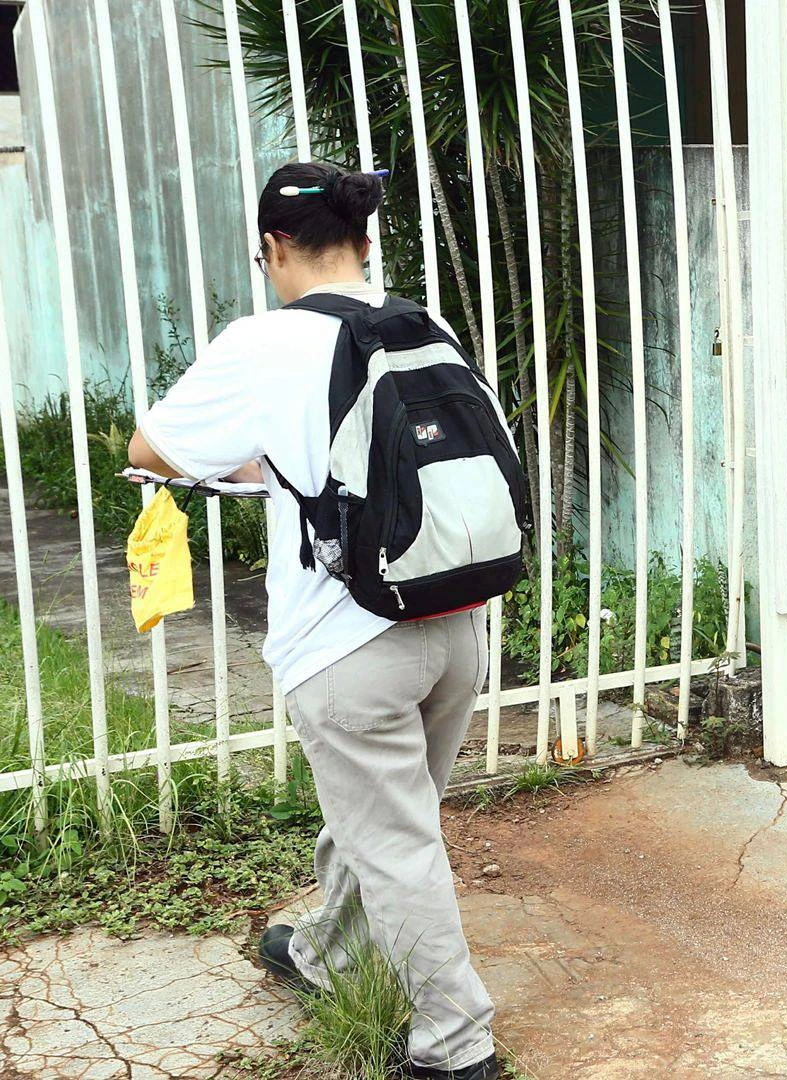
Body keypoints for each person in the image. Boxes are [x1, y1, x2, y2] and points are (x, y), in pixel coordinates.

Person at [128, 163, 501, 1080]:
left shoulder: (262, 343)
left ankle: (457, 1047)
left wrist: (252, 458)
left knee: (397, 842)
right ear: (365, 244)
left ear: (274, 247)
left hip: (347, 644)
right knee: (385, 818)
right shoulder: (423, 324)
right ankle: (328, 954)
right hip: (457, 620)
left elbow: (152, 449)